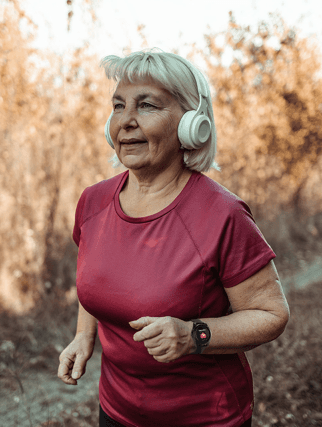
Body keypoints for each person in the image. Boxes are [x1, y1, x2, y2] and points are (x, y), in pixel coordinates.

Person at [57, 49, 290, 427]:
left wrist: (193, 334)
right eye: (118, 106)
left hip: (206, 417)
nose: (126, 122)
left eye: (146, 105)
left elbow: (271, 315)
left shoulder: (222, 214)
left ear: (191, 124)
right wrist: (85, 336)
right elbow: (97, 278)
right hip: (116, 412)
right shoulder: (93, 202)